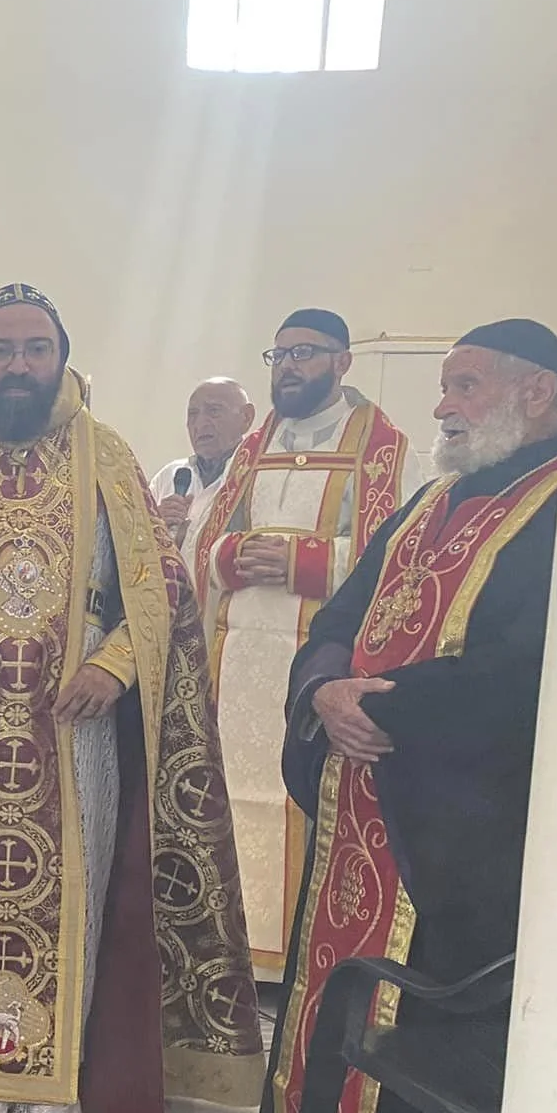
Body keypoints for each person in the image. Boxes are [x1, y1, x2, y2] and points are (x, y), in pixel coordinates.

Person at [0, 284, 263, 1113]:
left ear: (62, 358)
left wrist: (116, 668)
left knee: (67, 890)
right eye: (0, 349)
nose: (18, 365)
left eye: (35, 348)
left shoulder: (107, 456)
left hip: (70, 723)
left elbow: (160, 589)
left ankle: (47, 1091)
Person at [258, 319, 557, 1113]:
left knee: (434, 1005)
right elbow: (344, 611)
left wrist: (384, 705)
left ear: (539, 396)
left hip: (458, 826)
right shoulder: (432, 502)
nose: (443, 405)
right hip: (369, 797)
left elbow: (529, 671)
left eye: (465, 387)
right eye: (446, 386)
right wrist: (323, 687)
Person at [189, 310, 421, 978]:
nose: (288, 367)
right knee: (226, 793)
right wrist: (233, 553)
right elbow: (203, 540)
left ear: (343, 362)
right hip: (234, 665)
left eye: (305, 354)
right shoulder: (253, 444)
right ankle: (223, 948)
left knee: (296, 802)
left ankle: (290, 956)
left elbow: (397, 558)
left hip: (316, 665)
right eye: (280, 354)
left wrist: (304, 561)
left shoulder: (382, 448)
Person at [149, 377, 252, 567]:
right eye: (193, 414)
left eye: (214, 411)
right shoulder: (170, 475)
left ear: (246, 417)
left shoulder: (256, 476)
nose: (201, 423)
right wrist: (155, 523)